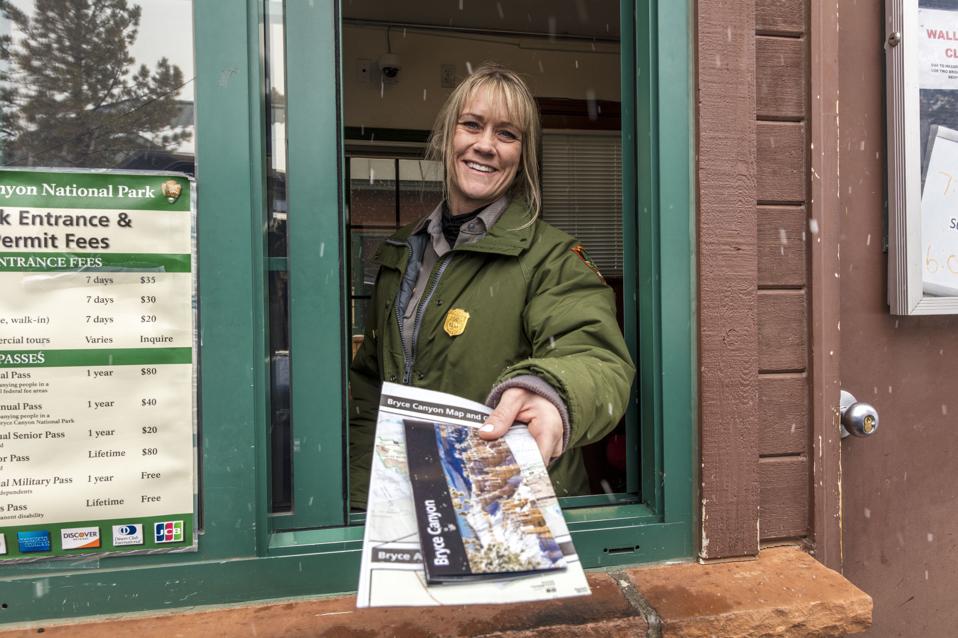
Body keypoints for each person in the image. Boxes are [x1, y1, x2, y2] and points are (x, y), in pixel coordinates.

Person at [349, 63, 634, 508]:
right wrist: (361, 494)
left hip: (509, 503)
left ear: (523, 155)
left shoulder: (553, 258)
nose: (485, 145)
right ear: (447, 136)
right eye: (472, 125)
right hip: (406, 503)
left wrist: (551, 393)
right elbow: (371, 381)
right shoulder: (402, 250)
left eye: (507, 134)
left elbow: (599, 361)